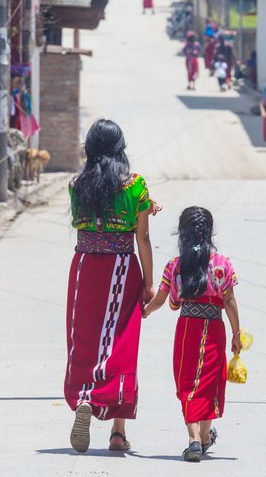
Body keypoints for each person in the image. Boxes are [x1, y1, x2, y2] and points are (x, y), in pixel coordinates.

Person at [64, 119, 159, 453]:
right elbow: (142, 237)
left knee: (84, 341)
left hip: (85, 267)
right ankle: (117, 432)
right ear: (121, 147)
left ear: (89, 148)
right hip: (121, 267)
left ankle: (84, 398)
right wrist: (149, 283)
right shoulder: (135, 185)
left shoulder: (76, 184)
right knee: (121, 344)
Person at [143, 206, 242, 462]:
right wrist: (236, 333)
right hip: (215, 328)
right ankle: (206, 435)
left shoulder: (175, 265)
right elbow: (229, 301)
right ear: (209, 232)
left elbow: (162, 300)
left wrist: (144, 312)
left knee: (187, 381)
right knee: (210, 381)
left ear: (182, 233)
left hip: (188, 327)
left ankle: (194, 438)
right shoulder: (222, 264)